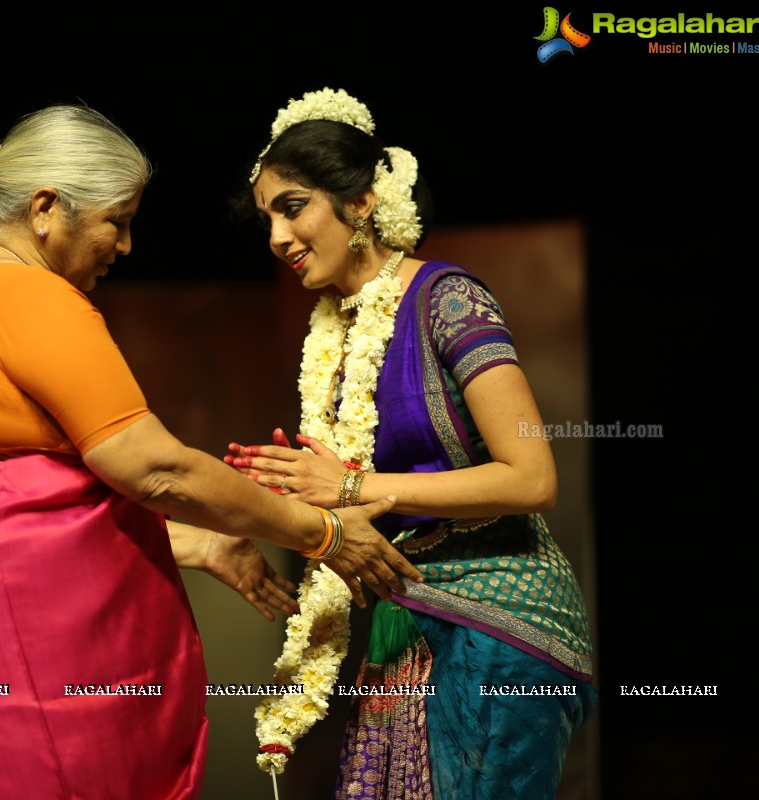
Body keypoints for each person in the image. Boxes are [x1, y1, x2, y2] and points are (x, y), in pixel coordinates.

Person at [0, 102, 424, 800]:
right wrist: (322, 531)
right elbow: (156, 466)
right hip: (7, 636)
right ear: (46, 208)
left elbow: (29, 494)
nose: (124, 247)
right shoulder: (26, 295)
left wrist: (202, 543)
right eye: (115, 222)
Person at [227, 88, 596, 799]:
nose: (275, 236)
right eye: (266, 216)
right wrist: (265, 499)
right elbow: (349, 492)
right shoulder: (331, 337)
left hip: (501, 626)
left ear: (361, 202)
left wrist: (349, 489)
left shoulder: (448, 299)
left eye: (292, 205)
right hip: (403, 626)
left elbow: (531, 477)